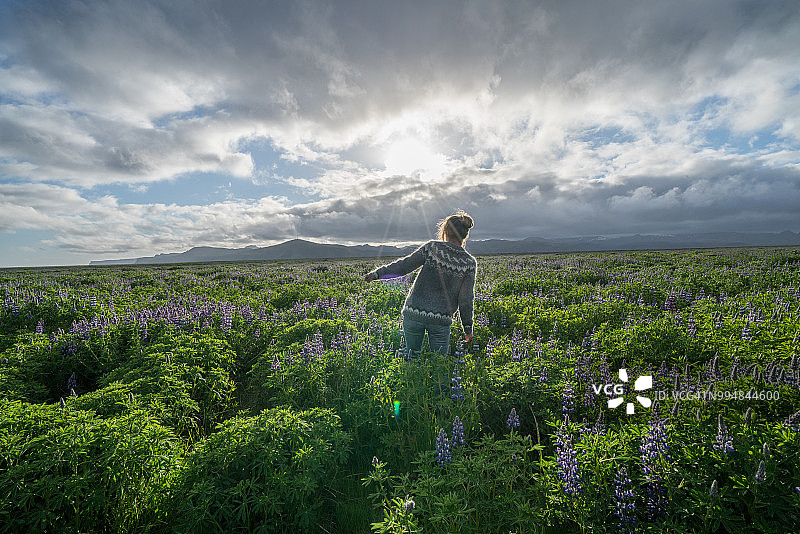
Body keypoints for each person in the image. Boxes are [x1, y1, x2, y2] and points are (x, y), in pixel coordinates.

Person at [364, 210, 477, 358]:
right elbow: (466, 299)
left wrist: (377, 274)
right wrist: (467, 328)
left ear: (446, 231)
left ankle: (412, 381)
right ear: (465, 234)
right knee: (439, 364)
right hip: (440, 320)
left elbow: (404, 266)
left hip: (414, 313)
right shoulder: (468, 262)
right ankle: (437, 382)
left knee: (412, 358)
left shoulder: (432, 248)